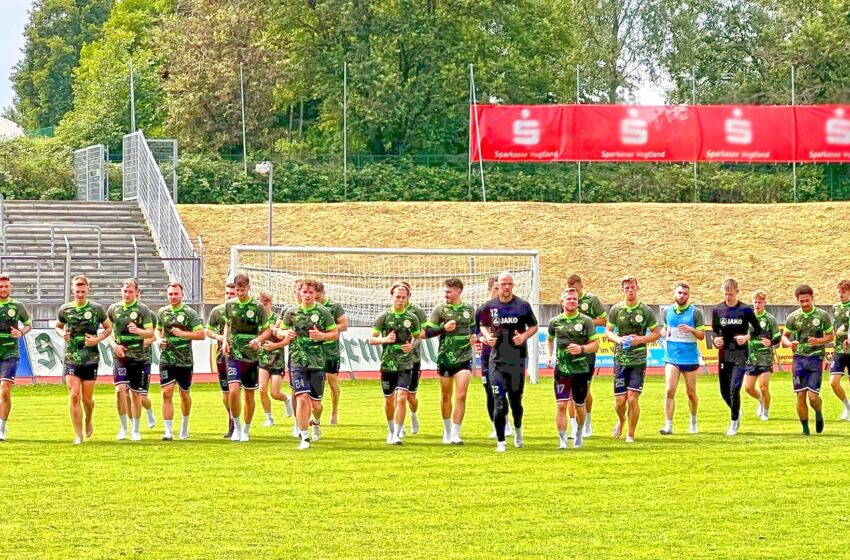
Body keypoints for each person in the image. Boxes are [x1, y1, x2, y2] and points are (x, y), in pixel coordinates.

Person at [478, 271, 538, 452]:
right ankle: (501, 441)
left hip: (516, 360)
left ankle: (518, 431)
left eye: (509, 284)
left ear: (513, 285)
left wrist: (524, 336)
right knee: (498, 400)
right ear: (498, 285)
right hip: (496, 361)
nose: (506, 287)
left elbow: (534, 325)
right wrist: (488, 336)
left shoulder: (522, 305)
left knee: (515, 402)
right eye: (502, 284)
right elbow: (483, 325)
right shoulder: (489, 306)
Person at [278, 278, 338, 450]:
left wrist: (323, 336)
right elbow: (281, 330)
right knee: (302, 398)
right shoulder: (292, 312)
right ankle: (304, 437)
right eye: (304, 292)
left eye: (311, 292)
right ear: (299, 293)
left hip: (317, 362)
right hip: (297, 360)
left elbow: (334, 333)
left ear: (315, 294)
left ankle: (316, 421)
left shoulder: (323, 312)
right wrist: (285, 333)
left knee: (316, 405)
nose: (307, 295)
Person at [56, 276, 112, 444]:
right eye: (77, 291)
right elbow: (58, 326)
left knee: (87, 399)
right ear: (72, 290)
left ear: (88, 290)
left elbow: (109, 328)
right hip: (72, 357)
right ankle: (78, 435)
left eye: (82, 291)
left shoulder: (97, 309)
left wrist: (97, 339)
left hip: (91, 358)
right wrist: (62, 334)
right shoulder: (65, 309)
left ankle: (88, 418)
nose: (79, 294)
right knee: (74, 395)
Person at [605, 276, 661, 443]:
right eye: (626, 288)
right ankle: (622, 420)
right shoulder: (616, 310)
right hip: (620, 360)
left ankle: (631, 434)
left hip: (638, 360)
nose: (630, 290)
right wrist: (618, 339)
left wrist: (639, 340)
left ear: (637, 288)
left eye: (632, 287)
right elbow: (608, 331)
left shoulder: (646, 311)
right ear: (623, 290)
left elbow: (657, 333)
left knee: (632, 398)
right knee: (620, 401)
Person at [424, 278, 477, 444]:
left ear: (458, 291)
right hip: (445, 357)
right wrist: (443, 329)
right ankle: (446, 432)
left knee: (461, 395)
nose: (445, 294)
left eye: (448, 291)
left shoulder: (469, 309)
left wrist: (475, 337)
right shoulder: (440, 310)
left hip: (464, 357)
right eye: (445, 291)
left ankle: (455, 433)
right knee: (446, 396)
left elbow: (474, 328)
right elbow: (426, 332)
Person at [546, 288, 600, 449]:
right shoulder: (554, 322)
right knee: (561, 404)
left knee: (579, 405)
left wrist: (582, 349)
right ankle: (562, 440)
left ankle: (579, 432)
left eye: (575, 299)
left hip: (580, 370)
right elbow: (549, 340)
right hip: (562, 370)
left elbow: (595, 345)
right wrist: (550, 355)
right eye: (569, 299)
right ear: (562, 302)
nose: (572, 301)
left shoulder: (586, 321)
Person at [369, 283, 421, 445]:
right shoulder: (383, 316)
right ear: (392, 297)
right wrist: (384, 340)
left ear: (407, 298)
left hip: (405, 364)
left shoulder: (412, 318)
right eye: (397, 297)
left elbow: (418, 337)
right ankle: (391, 431)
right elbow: (371, 339)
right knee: (389, 401)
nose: (400, 300)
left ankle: (397, 434)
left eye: (403, 297)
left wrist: (411, 346)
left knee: (402, 398)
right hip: (387, 364)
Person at [222, 274, 271, 442]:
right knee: (233, 390)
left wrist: (258, 339)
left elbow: (267, 331)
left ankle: (246, 429)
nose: (240, 293)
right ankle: (236, 426)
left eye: (242, 290)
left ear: (248, 288)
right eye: (237, 290)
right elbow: (227, 325)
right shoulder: (229, 305)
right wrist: (224, 341)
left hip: (251, 355)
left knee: (249, 394)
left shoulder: (257, 307)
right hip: (234, 353)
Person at [711, 278, 761, 436]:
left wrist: (747, 337)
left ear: (737, 292)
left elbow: (758, 330)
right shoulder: (717, 309)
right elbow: (715, 331)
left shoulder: (745, 310)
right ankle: (735, 409)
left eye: (731, 294)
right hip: (724, 354)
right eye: (726, 294)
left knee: (735, 387)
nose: (728, 297)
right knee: (724, 390)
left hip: (740, 354)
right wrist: (715, 339)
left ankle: (733, 422)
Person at [107, 279, 155, 441]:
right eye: (124, 291)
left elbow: (150, 333)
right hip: (120, 357)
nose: (127, 294)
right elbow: (108, 331)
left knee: (136, 394)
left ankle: (136, 429)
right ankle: (123, 428)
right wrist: (114, 345)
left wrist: (138, 331)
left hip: (138, 357)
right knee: (120, 391)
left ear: (136, 292)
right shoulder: (114, 309)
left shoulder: (143, 309)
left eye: (130, 291)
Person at [782, 284, 833, 435]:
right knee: (800, 395)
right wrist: (790, 344)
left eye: (807, 300)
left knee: (813, 396)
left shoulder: (822, 316)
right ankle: (805, 429)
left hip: (815, 358)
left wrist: (819, 341)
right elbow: (784, 337)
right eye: (801, 301)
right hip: (798, 359)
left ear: (812, 298)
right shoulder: (793, 317)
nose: (804, 304)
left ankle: (818, 412)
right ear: (797, 300)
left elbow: (830, 336)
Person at [156, 282, 205, 441]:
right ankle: (168, 431)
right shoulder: (162, 312)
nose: (173, 297)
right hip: (166, 359)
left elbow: (201, 334)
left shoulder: (189, 313)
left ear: (182, 295)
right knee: (166, 393)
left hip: (184, 360)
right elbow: (157, 329)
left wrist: (184, 334)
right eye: (170, 294)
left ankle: (184, 425)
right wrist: (159, 340)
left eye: (175, 294)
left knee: (184, 394)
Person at [658, 283, 706, 436]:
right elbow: (665, 328)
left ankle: (693, 421)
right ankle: (668, 425)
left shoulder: (695, 313)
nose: (682, 296)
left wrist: (691, 329)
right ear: (674, 294)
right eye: (679, 293)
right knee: (669, 390)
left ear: (688, 296)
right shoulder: (667, 312)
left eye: (685, 293)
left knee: (691, 392)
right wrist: (663, 332)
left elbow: (701, 335)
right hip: (672, 357)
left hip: (690, 358)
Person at [565, 274, 607, 438]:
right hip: (569, 351)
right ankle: (574, 428)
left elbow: (604, 320)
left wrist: (586, 320)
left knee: (584, 391)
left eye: (575, 289)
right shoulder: (567, 299)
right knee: (569, 392)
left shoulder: (592, 300)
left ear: (581, 286)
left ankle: (587, 423)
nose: (572, 294)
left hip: (586, 350)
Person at [476, 277, 510, 439]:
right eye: (496, 287)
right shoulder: (482, 310)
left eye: (502, 286)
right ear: (489, 289)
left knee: (506, 390)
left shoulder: (510, 309)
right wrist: (481, 338)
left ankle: (507, 423)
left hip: (507, 356)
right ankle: (497, 425)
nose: (500, 290)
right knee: (490, 391)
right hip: (487, 357)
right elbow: (475, 331)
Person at [0, 275, 32, 441]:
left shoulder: (17, 306)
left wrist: (20, 332)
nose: (4, 289)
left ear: (10, 287)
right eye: (1, 286)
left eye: (6, 286)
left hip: (10, 352)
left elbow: (28, 324)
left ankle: (1, 429)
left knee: (5, 390)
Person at [743, 290, 780, 421]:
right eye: (755, 302)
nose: (757, 304)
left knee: (763, 387)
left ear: (764, 302)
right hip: (751, 358)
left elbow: (777, 338)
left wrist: (770, 342)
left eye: (760, 302)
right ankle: (760, 400)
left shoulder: (770, 319)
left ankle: (765, 411)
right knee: (748, 388)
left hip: (765, 358)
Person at [206, 282, 237, 437]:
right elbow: (208, 331)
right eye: (227, 293)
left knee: (236, 390)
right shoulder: (217, 312)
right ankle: (231, 418)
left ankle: (236, 424)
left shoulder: (244, 312)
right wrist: (219, 337)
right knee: (226, 394)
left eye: (232, 293)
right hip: (221, 356)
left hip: (240, 357)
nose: (229, 296)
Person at [257, 291, 292, 427]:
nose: (263, 307)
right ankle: (269, 417)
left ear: (270, 304)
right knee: (262, 389)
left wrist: (274, 345)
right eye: (261, 305)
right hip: (263, 359)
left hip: (277, 360)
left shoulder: (278, 319)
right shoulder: (257, 320)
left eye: (265, 304)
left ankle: (286, 399)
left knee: (275, 393)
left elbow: (286, 339)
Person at [317, 282, 347, 425]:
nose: (316, 300)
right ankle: (316, 411)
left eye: (318, 297)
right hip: (315, 352)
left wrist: (328, 330)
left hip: (331, 351)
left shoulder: (334, 306)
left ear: (324, 293)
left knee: (332, 381)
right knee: (316, 382)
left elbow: (344, 325)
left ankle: (334, 413)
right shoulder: (311, 308)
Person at [402, 281, 427, 436]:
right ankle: (399, 426)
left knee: (411, 396)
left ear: (409, 295)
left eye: (404, 295)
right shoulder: (390, 313)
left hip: (413, 359)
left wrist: (413, 335)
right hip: (395, 360)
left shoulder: (417, 311)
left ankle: (413, 415)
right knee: (399, 395)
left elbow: (426, 331)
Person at [829, 279, 850, 420]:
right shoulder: (835, 307)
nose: (840, 294)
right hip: (838, 350)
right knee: (833, 382)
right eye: (839, 291)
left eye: (843, 292)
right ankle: (848, 406)